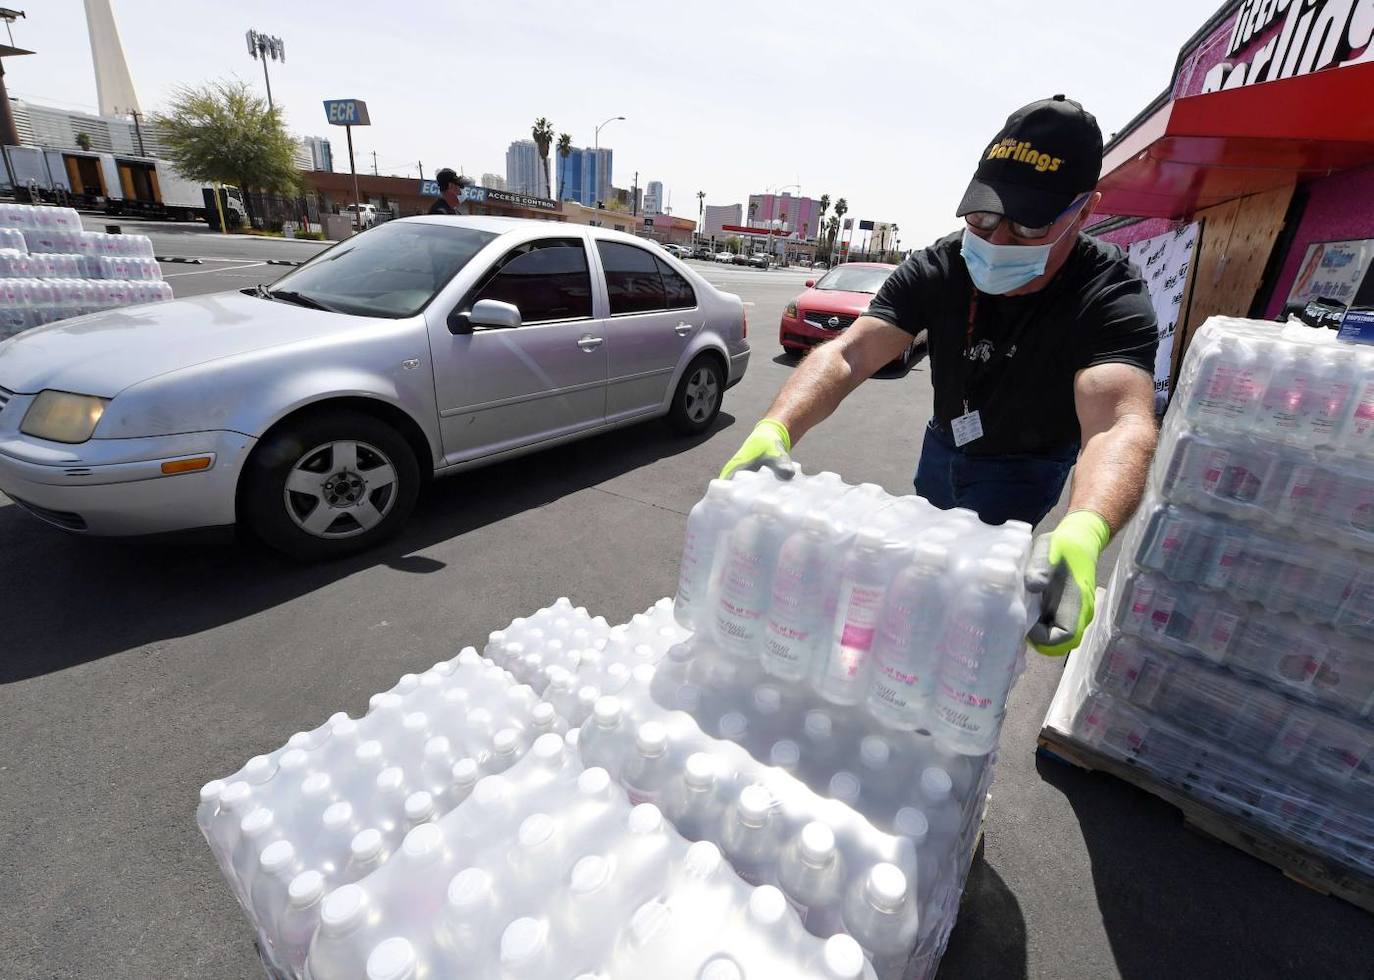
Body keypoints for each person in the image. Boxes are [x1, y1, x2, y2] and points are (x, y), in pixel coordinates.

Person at [719, 96, 1159, 656]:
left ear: (1084, 211)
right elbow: (851, 353)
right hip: (943, 445)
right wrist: (775, 428)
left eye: (1028, 223)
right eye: (984, 216)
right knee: (919, 568)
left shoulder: (1107, 292)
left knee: (973, 598)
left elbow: (1118, 421)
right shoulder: (942, 265)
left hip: (1025, 467)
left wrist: (1085, 528)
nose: (997, 241)